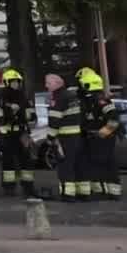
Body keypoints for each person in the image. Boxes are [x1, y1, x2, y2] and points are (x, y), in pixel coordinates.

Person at [77, 68, 121, 201]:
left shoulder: (103, 101)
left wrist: (101, 135)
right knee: (92, 165)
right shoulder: (86, 102)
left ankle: (113, 192)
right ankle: (99, 190)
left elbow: (114, 121)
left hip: (104, 139)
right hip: (91, 139)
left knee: (107, 164)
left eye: (81, 84)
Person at [0, 68, 34, 196]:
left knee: (25, 161)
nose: (15, 84)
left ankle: (28, 186)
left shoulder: (23, 97)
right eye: (13, 82)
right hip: (7, 134)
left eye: (17, 82)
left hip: (21, 133)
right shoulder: (0, 98)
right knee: (8, 162)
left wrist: (22, 112)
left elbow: (32, 116)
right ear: (6, 83)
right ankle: (9, 187)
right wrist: (9, 112)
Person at [46, 72, 84, 201]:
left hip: (64, 137)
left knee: (65, 166)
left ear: (58, 83)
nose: (47, 86)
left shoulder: (58, 98)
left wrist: (50, 137)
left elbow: (54, 121)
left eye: (49, 83)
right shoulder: (72, 96)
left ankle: (68, 194)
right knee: (76, 164)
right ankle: (82, 192)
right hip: (76, 135)